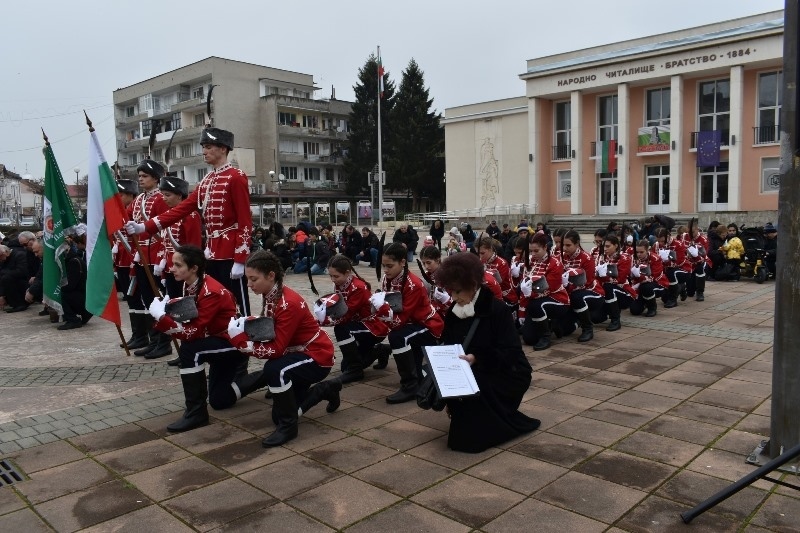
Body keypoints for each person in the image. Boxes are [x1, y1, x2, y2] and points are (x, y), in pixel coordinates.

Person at [125, 127, 252, 318]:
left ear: (223, 149)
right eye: (203, 147)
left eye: (208, 147)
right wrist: (145, 226)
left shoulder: (235, 176)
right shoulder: (207, 180)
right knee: (216, 300)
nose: (204, 151)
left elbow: (244, 220)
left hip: (230, 249)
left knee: (237, 301)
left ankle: (244, 339)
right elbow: (180, 210)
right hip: (213, 250)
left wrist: (240, 258)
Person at [432, 252, 541, 453]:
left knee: (469, 440)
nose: (454, 298)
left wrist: (478, 358)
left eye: (458, 291)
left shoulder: (497, 310)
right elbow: (449, 345)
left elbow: (511, 352)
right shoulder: (453, 313)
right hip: (469, 371)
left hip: (505, 372)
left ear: (473, 284)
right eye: (451, 292)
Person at [228, 250, 339, 447]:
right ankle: (325, 390)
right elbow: (272, 330)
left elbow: (277, 349)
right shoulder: (272, 292)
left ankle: (289, 428)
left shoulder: (288, 303)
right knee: (277, 415)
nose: (248, 284)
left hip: (316, 356)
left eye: (253, 279)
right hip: (297, 355)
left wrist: (242, 343)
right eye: (247, 279)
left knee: (275, 369)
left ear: (271, 275)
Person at [148, 245, 257, 433]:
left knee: (190, 350)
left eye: (177, 265)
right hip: (218, 342)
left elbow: (192, 332)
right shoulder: (191, 283)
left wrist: (161, 318)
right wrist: (169, 310)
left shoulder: (209, 291)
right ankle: (264, 376)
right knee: (220, 401)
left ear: (194, 268)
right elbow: (191, 317)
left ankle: (196, 412)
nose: (171, 268)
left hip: (232, 344)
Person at [374, 242, 444, 403]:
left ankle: (409, 386)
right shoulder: (388, 278)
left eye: (389, 266)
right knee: (402, 338)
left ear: (403, 262)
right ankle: (421, 377)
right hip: (412, 325)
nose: (385, 270)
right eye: (383, 266)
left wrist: (381, 310)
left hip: (428, 326)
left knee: (398, 337)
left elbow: (398, 321)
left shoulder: (414, 284)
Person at [315, 254, 392, 379]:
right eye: (331, 276)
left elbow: (346, 313)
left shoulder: (359, 288)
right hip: (357, 326)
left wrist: (324, 321)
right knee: (344, 367)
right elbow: (338, 307)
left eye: (336, 276)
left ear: (347, 273)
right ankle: (380, 350)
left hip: (373, 327)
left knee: (341, 329)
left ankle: (355, 370)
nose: (333, 279)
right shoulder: (340, 284)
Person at [126, 159, 172, 358]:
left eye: (145, 176)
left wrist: (163, 257)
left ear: (156, 178)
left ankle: (164, 342)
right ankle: (154, 340)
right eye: (140, 176)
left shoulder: (161, 199)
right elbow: (125, 219)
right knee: (147, 300)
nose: (141, 179)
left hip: (156, 255)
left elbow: (167, 228)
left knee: (158, 300)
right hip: (141, 254)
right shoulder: (138, 200)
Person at [519, 232, 571, 350]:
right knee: (529, 339)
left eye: (536, 251)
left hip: (557, 300)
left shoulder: (555, 264)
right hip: (535, 300)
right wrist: (521, 312)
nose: (532, 254)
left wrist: (529, 294)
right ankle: (551, 325)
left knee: (535, 305)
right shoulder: (531, 261)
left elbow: (546, 289)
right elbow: (524, 287)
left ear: (545, 247)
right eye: (531, 251)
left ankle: (546, 336)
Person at [158, 176, 202, 299]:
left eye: (167, 195)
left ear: (179, 195)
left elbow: (194, 247)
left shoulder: (190, 216)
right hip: (169, 268)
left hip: (184, 270)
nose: (164, 198)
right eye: (163, 195)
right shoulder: (168, 215)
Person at [560, 230, 605, 342]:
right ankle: (578, 320)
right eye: (563, 245)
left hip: (592, 292)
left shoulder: (587, 258)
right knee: (562, 331)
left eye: (568, 245)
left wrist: (568, 284)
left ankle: (588, 328)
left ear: (577, 243)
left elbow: (587, 282)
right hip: (571, 294)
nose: (565, 248)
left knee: (577, 296)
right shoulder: (562, 257)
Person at [595, 234, 635, 332]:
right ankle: (607, 311)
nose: (605, 249)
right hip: (606, 292)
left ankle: (615, 320)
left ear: (616, 245)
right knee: (595, 318)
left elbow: (620, 279)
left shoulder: (624, 257)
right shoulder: (601, 258)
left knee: (609, 287)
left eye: (608, 246)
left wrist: (603, 276)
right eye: (604, 246)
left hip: (624, 292)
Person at [58, 227, 93, 330]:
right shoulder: (72, 259)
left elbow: (71, 285)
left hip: (82, 297)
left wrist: (58, 289)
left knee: (61, 294)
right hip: (81, 295)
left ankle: (73, 319)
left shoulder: (73, 261)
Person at [629, 239, 669, 317]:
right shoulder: (632, 258)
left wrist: (639, 276)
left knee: (646, 287)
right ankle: (646, 302)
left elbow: (653, 277)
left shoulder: (655, 258)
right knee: (635, 310)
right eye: (637, 252)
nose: (638, 254)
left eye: (641, 252)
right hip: (638, 285)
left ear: (648, 250)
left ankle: (652, 308)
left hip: (657, 284)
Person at [654, 227, 691, 306]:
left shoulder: (678, 244)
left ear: (668, 237)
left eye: (662, 241)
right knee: (664, 299)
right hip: (666, 270)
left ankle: (673, 299)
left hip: (683, 270)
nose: (661, 243)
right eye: (658, 241)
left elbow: (679, 262)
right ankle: (680, 287)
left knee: (671, 272)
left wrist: (666, 260)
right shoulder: (656, 246)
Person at [0, 243, 29, 312]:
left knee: (6, 278)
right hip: (10, 283)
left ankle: (19, 304)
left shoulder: (19, 255)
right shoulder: (3, 260)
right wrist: (1, 295)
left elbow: (21, 272)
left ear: (6, 252)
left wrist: (4, 272)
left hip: (22, 283)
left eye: (0, 256)